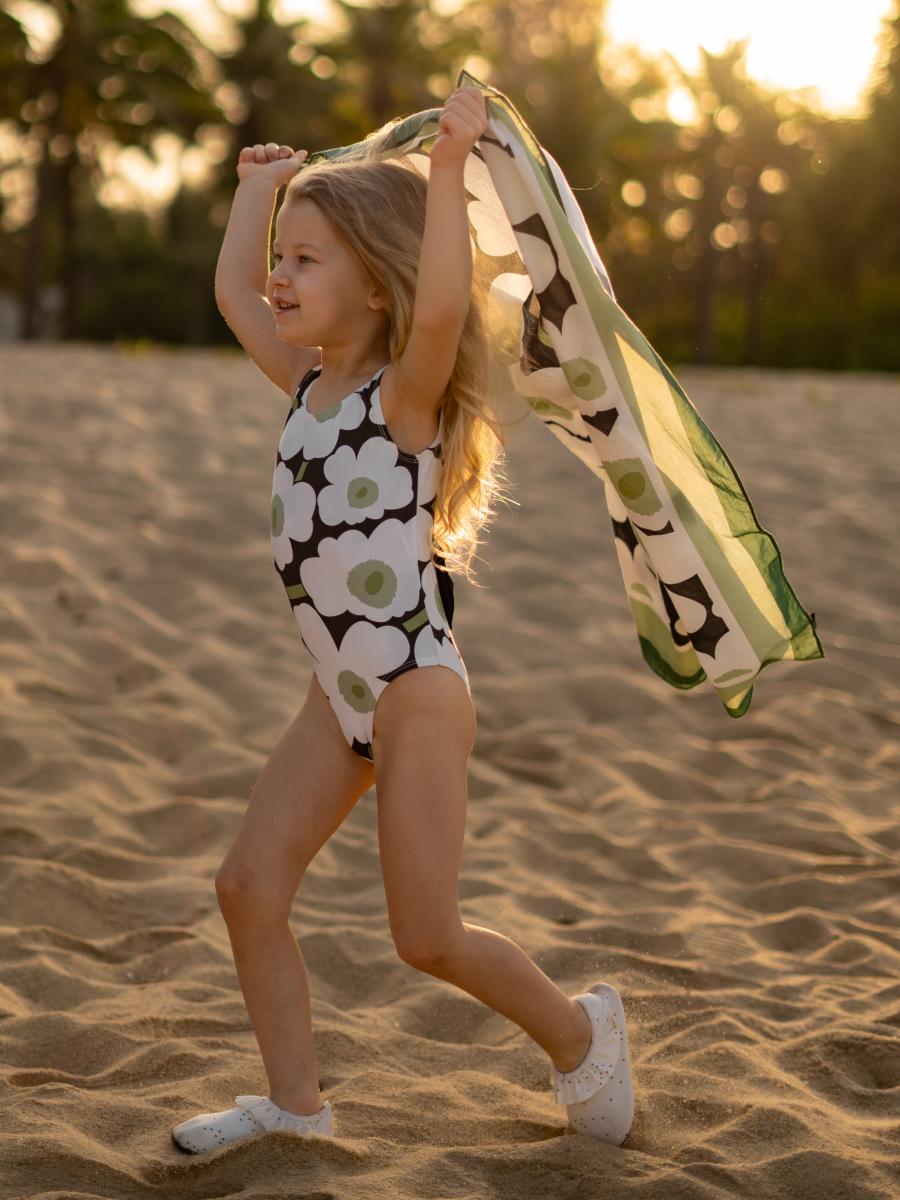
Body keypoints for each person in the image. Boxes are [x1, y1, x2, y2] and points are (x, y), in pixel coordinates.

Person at [171, 86, 634, 1155]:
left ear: (373, 289)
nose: (281, 280)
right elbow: (235, 292)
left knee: (426, 935)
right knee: (246, 884)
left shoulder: (401, 401)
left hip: (416, 691)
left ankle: (581, 1034)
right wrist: (257, 193)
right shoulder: (305, 387)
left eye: (308, 261)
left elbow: (440, 310)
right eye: (286, 258)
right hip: (340, 697)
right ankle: (296, 1107)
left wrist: (450, 166)